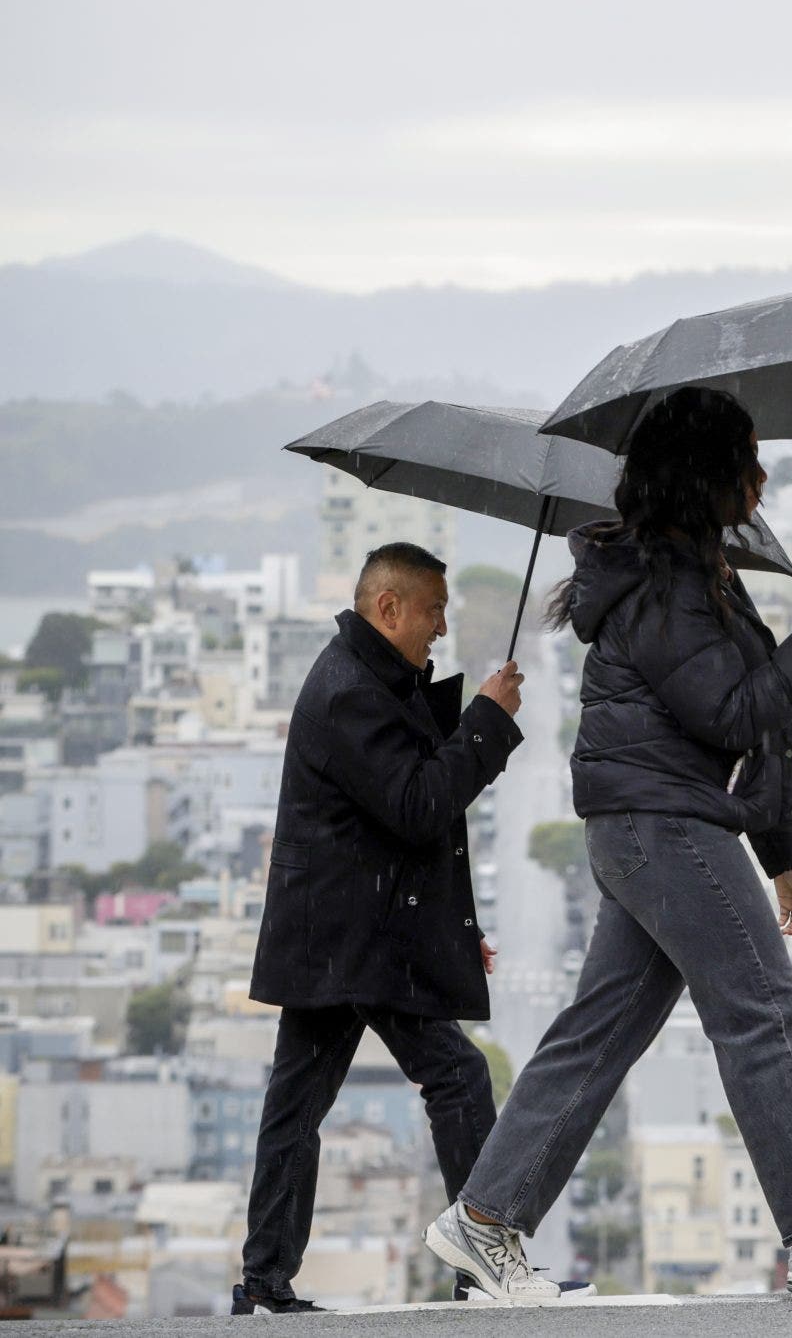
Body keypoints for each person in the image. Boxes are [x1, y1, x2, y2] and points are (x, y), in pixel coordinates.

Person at [426, 386, 792, 1301]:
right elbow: (734, 713)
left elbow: (752, 725)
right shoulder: (664, 587)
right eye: (747, 458)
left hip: (646, 826)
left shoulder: (692, 574)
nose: (762, 477)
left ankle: (485, 1219)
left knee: (599, 1033)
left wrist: (783, 853)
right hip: (666, 827)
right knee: (765, 1014)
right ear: (707, 474)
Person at [234, 542, 525, 1316]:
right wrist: (488, 721)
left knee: (297, 1102)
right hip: (353, 938)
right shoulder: (349, 691)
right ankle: (485, 1262)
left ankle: (264, 1281)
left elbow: (397, 823)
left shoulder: (365, 678)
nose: (442, 626)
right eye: (434, 609)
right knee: (457, 1077)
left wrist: (452, 929)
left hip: (341, 930)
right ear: (388, 607)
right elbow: (420, 805)